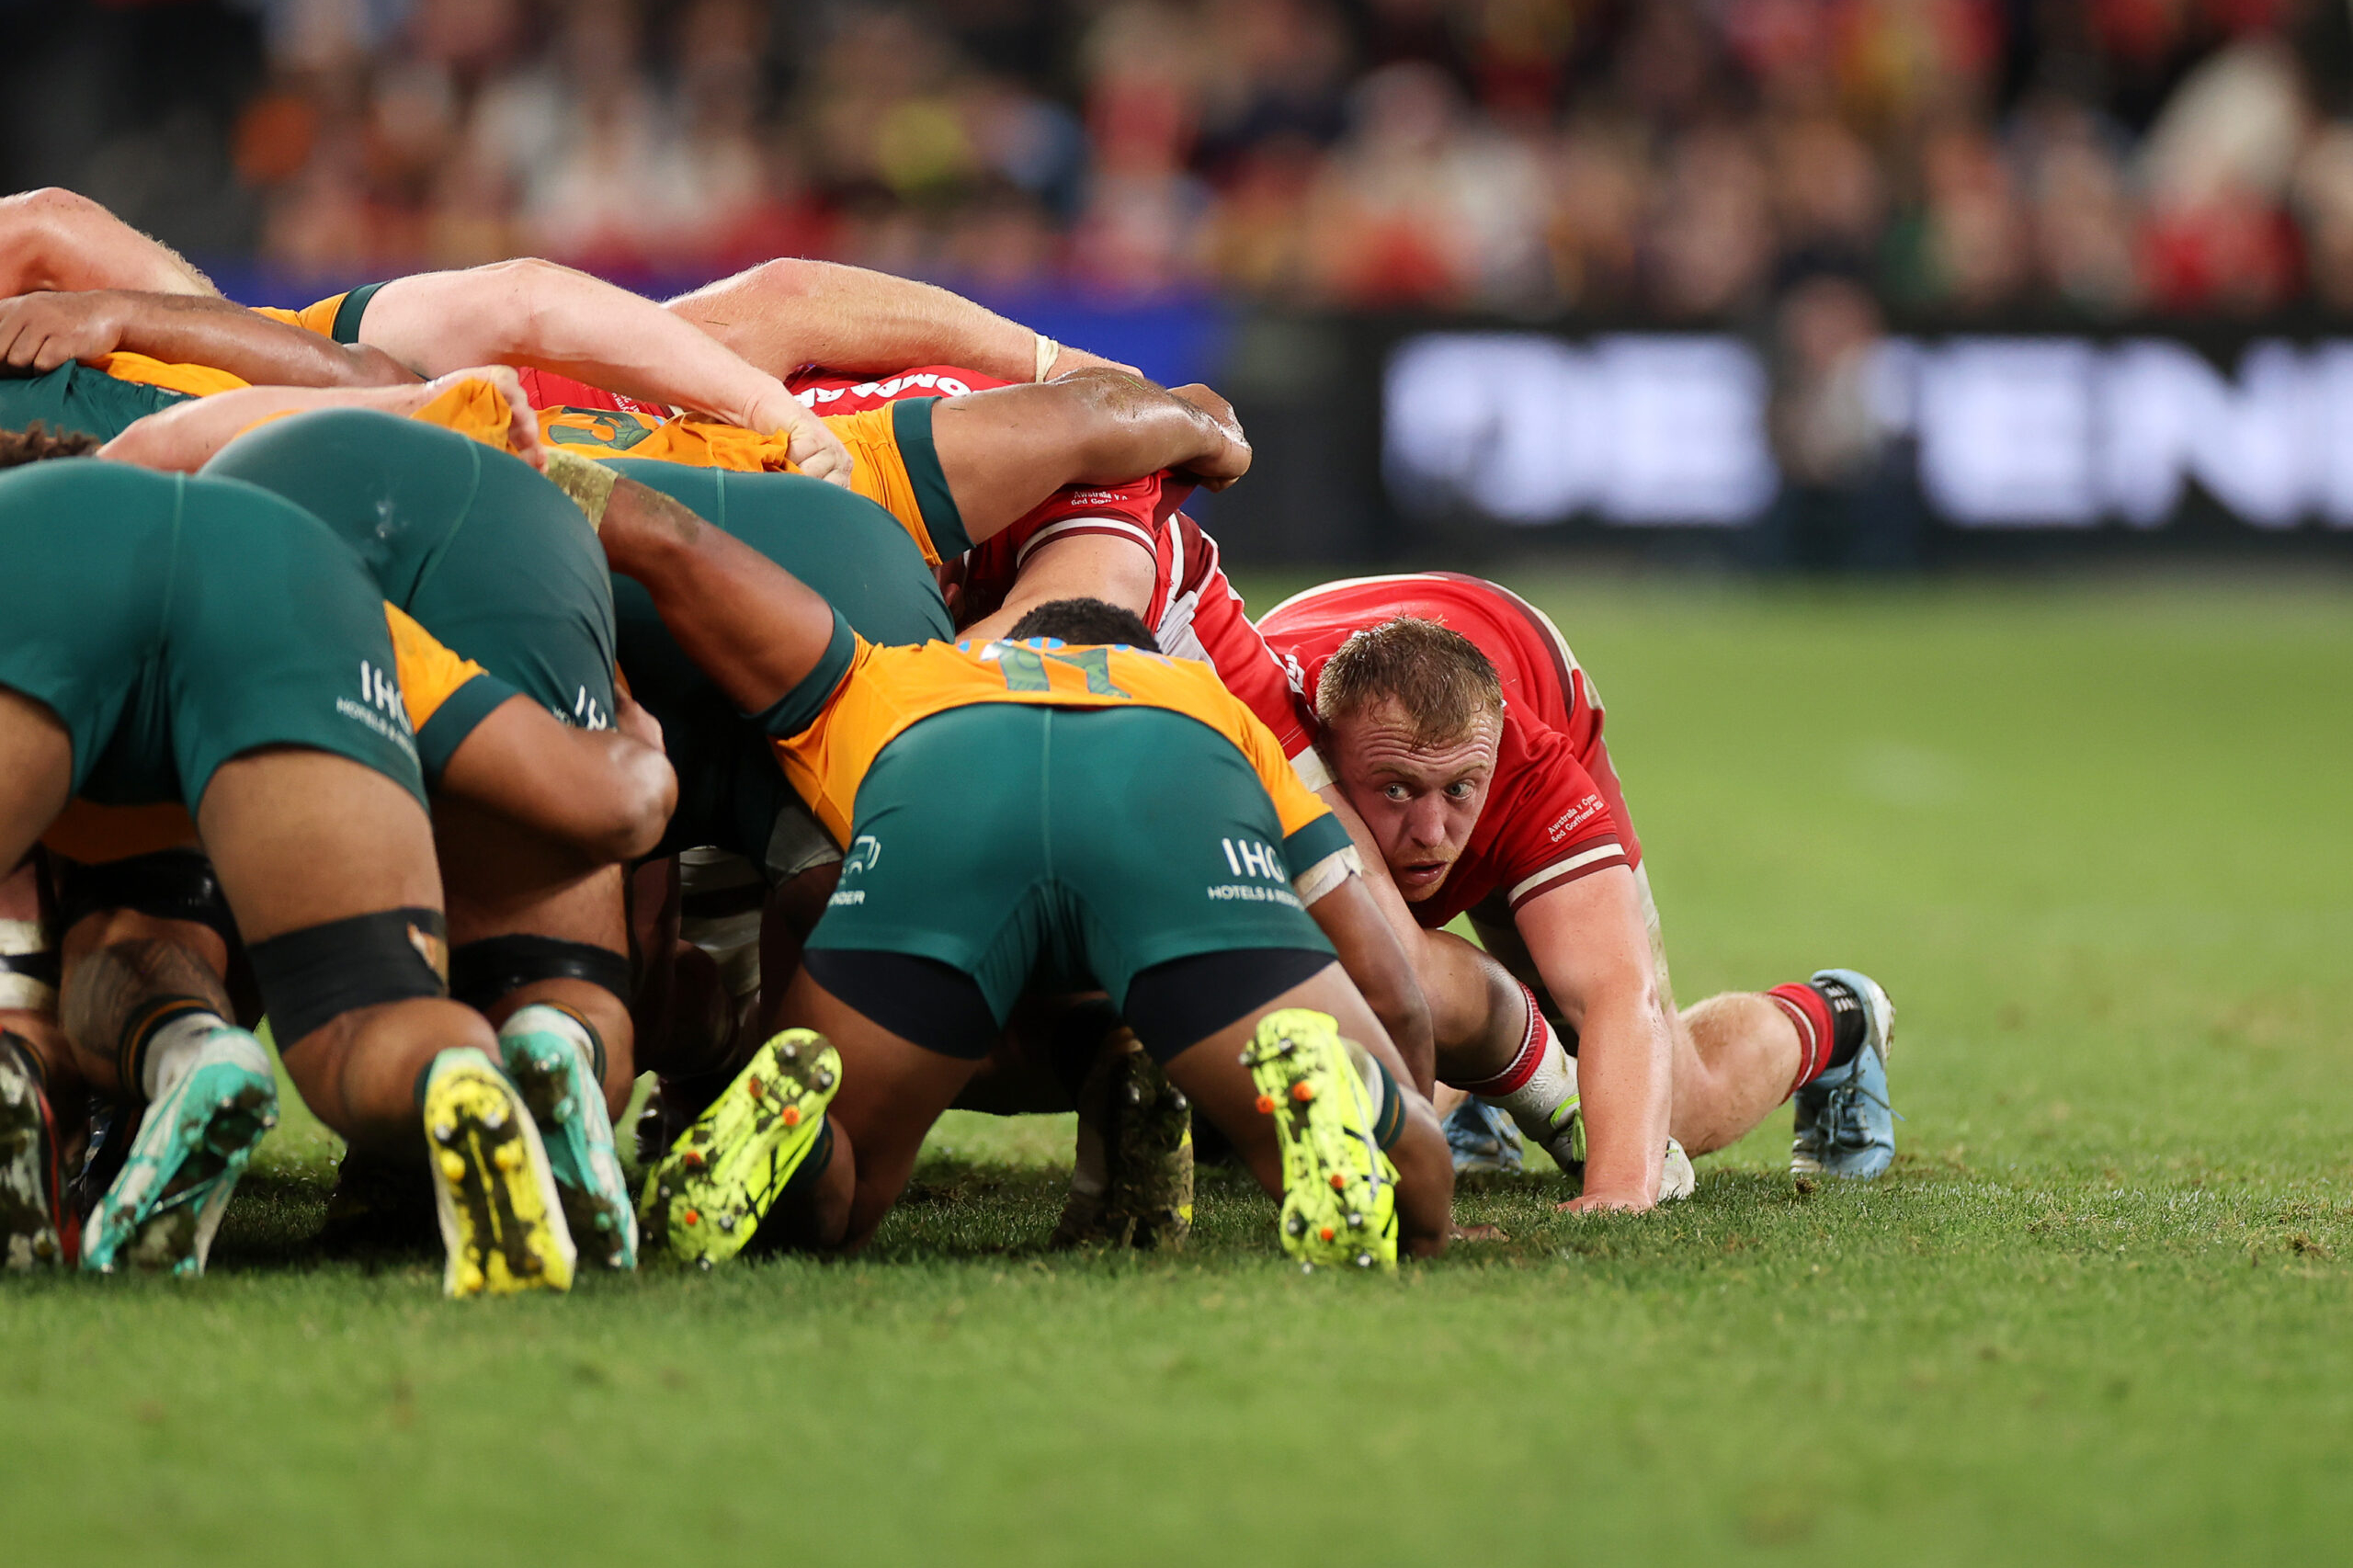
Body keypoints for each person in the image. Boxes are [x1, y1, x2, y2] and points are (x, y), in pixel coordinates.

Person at [578, 465, 1455, 1267]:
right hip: (1166, 788)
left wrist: (530, 462)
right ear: (1135, 660)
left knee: (834, 1211)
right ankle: (1354, 1107)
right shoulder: (1203, 701)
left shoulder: (910, 675)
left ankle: (799, 1139)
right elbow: (1392, 987)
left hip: (947, 783)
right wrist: (1413, 1115)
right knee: (1410, 1181)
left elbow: (681, 547)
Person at [0, 438, 641, 1293]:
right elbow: (614, 806)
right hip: (294, 581)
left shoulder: (33, 541)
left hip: (61, 595)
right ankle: (455, 1074)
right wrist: (643, 751)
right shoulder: (284, 536)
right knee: (362, 1020)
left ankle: (187, 1056)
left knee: (90, 950)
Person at [1255, 574, 1898, 1210]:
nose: (1430, 832)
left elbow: (1617, 992)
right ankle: (1485, 1093)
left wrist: (1618, 1190)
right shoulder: (1266, 744)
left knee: (1671, 1107)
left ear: (1491, 753)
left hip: (1526, 662)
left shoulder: (1528, 767)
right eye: (1396, 788)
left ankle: (1840, 1018)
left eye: (1457, 790)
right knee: (1354, 973)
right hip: (1328, 661)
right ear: (1331, 755)